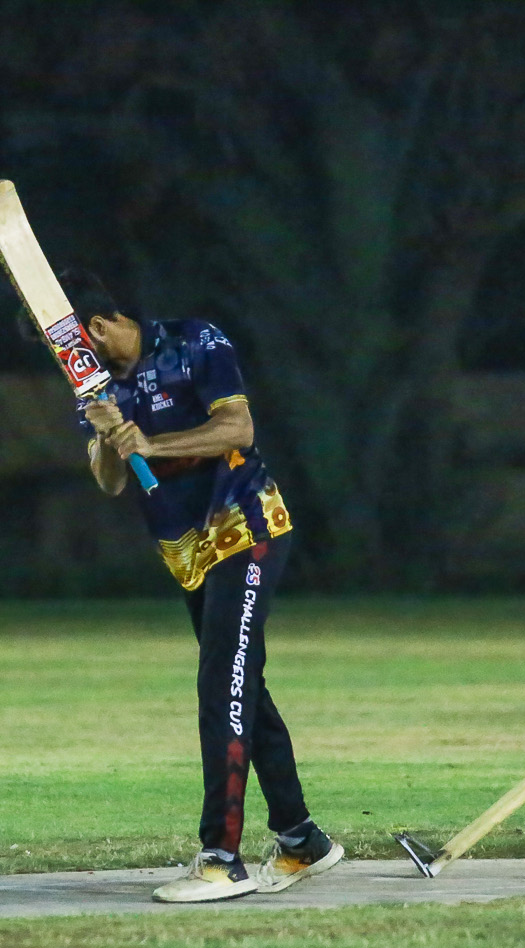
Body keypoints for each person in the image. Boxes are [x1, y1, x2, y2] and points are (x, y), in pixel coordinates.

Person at [60, 267, 344, 903]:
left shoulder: (195, 342)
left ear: (97, 328)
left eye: (70, 346)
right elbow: (110, 481)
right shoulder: (95, 389)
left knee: (221, 683)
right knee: (243, 687)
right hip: (188, 550)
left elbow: (238, 429)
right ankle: (302, 840)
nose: (68, 362)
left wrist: (151, 443)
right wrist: (106, 433)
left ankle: (221, 858)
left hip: (246, 526)